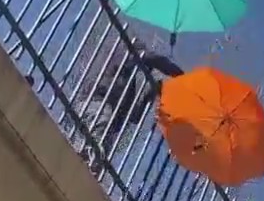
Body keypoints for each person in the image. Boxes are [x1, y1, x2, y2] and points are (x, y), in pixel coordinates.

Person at [78, 36, 184, 172]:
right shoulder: (117, 57)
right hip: (96, 102)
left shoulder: (129, 85)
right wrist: (180, 76)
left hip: (108, 124)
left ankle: (92, 164)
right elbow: (152, 58)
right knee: (100, 126)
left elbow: (134, 116)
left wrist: (151, 92)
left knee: (101, 148)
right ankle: (89, 154)